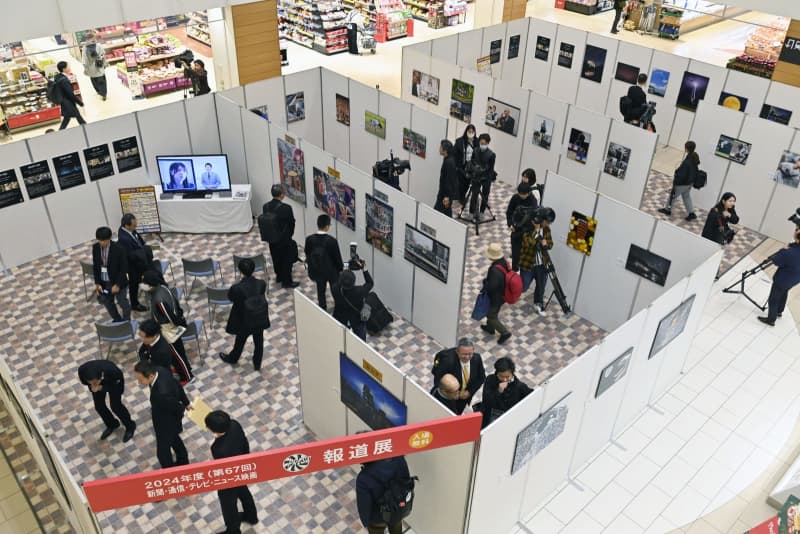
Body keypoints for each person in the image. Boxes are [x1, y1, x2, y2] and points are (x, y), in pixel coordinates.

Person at [204, 411, 259, 533]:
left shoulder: (218, 449)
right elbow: (245, 443)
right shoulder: (235, 424)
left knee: (228, 505)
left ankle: (233, 531)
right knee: (244, 492)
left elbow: (223, 468)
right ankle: (251, 516)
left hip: (229, 477)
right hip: (242, 468)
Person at [133, 360, 190, 469]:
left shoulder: (160, 394)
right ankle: (183, 461)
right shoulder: (161, 370)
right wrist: (186, 402)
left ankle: (169, 472)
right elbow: (177, 385)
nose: (139, 382)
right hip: (166, 414)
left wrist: (183, 409)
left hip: (166, 422)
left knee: (162, 452)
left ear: (150, 376)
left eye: (140, 379)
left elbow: (177, 407)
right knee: (174, 439)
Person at [141, 270, 194, 381]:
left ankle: (187, 376)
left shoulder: (158, 299)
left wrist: (179, 323)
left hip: (168, 330)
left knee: (176, 355)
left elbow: (169, 316)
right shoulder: (163, 288)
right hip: (171, 327)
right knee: (179, 352)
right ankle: (185, 368)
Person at [219, 259, 270, 371]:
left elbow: (231, 298)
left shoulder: (236, 288)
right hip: (258, 318)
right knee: (259, 342)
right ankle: (257, 364)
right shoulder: (261, 283)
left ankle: (233, 358)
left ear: (240, 271)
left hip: (244, 320)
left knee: (240, 341)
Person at [78, 360, 136, 442]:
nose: (91, 383)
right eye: (90, 381)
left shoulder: (113, 371)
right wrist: (93, 386)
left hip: (114, 383)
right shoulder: (82, 370)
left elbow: (117, 388)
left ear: (99, 378)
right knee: (99, 406)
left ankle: (130, 426)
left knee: (116, 406)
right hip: (99, 383)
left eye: (94, 381)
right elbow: (85, 382)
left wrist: (101, 387)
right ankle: (112, 424)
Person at [356, 455, 411, 534]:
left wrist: (366, 522)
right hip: (396, 508)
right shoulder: (399, 459)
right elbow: (406, 481)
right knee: (396, 525)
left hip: (377, 518)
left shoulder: (363, 477)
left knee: (376, 529)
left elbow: (364, 505)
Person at [431, 338, 486, 415]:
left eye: (470, 354)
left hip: (463, 399)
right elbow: (438, 380)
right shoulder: (447, 362)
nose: (467, 357)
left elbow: (481, 378)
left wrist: (469, 392)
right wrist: (451, 393)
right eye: (464, 354)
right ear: (457, 351)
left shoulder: (477, 358)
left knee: (457, 414)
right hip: (448, 399)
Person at [758, 226, 800, 327]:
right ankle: (779, 311)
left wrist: (783, 250)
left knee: (774, 298)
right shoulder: (793, 249)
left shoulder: (789, 252)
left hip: (782, 279)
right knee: (784, 291)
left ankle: (771, 319)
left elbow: (777, 261)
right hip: (795, 279)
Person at [304, 214, 344, 310]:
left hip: (317, 270)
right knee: (335, 290)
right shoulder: (332, 241)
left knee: (320, 291)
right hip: (331, 271)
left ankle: (322, 308)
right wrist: (340, 269)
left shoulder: (309, 239)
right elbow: (337, 258)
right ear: (327, 226)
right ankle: (339, 307)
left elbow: (307, 253)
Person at [479, 357, 533, 428]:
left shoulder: (519, 386)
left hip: (509, 418)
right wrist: (498, 391)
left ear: (512, 374)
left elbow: (532, 395)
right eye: (501, 376)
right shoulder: (490, 380)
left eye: (507, 377)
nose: (504, 379)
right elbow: (486, 401)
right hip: (492, 414)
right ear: (497, 373)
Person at [92, 226, 131, 322]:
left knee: (123, 303)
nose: (102, 243)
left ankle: (126, 321)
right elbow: (96, 266)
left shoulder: (119, 249)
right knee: (107, 302)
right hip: (104, 282)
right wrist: (97, 283)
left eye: (104, 240)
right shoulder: (95, 248)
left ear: (109, 238)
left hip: (118, 281)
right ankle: (117, 320)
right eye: (100, 240)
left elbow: (123, 269)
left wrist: (117, 285)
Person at [137, 319, 194, 384]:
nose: (142, 339)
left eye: (143, 337)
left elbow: (160, 370)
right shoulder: (149, 340)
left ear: (154, 336)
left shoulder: (162, 352)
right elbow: (141, 351)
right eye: (140, 336)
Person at [263, 185, 299, 288]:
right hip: (284, 239)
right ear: (282, 194)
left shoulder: (266, 206)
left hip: (271, 238)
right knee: (287, 260)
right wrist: (289, 234)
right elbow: (291, 223)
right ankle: (287, 282)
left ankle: (279, 276)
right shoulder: (286, 208)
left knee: (276, 257)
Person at [117, 213, 151, 312]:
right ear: (127, 226)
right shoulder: (124, 239)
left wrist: (144, 247)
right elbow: (131, 255)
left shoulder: (129, 229)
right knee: (133, 284)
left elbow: (138, 238)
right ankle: (135, 304)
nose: (136, 227)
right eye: (134, 226)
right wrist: (143, 253)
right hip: (133, 266)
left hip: (140, 260)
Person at [659, 141, 699, 221]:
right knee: (686, 197)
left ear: (686, 148)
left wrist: (675, 182)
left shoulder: (687, 161)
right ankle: (691, 213)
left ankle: (667, 210)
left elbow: (682, 175)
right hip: (689, 183)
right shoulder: (694, 157)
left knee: (672, 196)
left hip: (682, 184)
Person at [520, 218, 553, 316]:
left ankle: (538, 303)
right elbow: (528, 244)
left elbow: (550, 244)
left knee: (541, 286)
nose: (548, 224)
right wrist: (536, 232)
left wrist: (546, 244)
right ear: (541, 221)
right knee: (523, 287)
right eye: (547, 222)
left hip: (541, 264)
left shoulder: (546, 229)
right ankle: (512, 286)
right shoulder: (527, 228)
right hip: (528, 263)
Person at [332, 262, 373, 341]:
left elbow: (339, 282)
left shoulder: (335, 289)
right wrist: (364, 269)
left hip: (341, 318)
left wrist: (345, 272)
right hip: (357, 320)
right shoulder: (360, 291)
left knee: (341, 339)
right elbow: (370, 283)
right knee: (360, 341)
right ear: (354, 281)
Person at [481, 243, 512, 344]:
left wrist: (486, 283)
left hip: (496, 297)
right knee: (491, 311)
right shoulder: (503, 262)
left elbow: (492, 287)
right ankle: (490, 328)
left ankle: (504, 332)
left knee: (492, 316)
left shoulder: (494, 270)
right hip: (502, 294)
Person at [506, 183, 538, 271]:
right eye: (520, 194)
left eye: (524, 194)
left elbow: (534, 216)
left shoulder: (533, 201)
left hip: (528, 232)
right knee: (515, 256)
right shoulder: (515, 198)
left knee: (526, 256)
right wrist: (510, 224)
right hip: (516, 231)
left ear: (528, 193)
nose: (522, 196)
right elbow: (509, 212)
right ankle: (514, 273)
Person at [469, 133, 497, 217]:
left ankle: (482, 211)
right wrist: (474, 170)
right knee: (474, 194)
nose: (482, 145)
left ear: (488, 143)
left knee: (485, 195)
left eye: (484, 144)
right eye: (481, 143)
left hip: (486, 177)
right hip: (476, 176)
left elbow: (490, 169)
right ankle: (471, 211)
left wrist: (484, 174)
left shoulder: (491, 155)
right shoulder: (475, 150)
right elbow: (472, 162)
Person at [54, 61, 86, 130]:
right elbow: (70, 94)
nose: (69, 68)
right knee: (77, 117)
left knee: (67, 117)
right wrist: (80, 102)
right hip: (68, 102)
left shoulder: (58, 77)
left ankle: (61, 131)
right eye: (68, 66)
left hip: (64, 101)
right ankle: (86, 128)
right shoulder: (64, 80)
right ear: (64, 69)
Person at [453, 124, 478, 204]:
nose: (470, 133)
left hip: (471, 165)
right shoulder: (460, 141)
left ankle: (462, 195)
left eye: (472, 131)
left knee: (467, 182)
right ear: (466, 131)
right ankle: (461, 197)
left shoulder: (477, 142)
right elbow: (455, 153)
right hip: (462, 165)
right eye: (469, 131)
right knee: (461, 182)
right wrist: (456, 165)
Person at [435, 140, 459, 217]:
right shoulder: (448, 159)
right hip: (444, 193)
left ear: (445, 150)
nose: (439, 149)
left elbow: (450, 180)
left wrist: (447, 197)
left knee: (439, 213)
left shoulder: (449, 162)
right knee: (446, 213)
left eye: (440, 147)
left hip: (445, 195)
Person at [81, 35, 108, 100]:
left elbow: (84, 59)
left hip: (90, 68)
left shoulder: (85, 48)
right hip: (99, 65)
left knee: (94, 80)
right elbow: (103, 55)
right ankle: (103, 94)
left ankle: (99, 91)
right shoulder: (98, 45)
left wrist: (85, 68)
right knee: (101, 81)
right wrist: (104, 63)